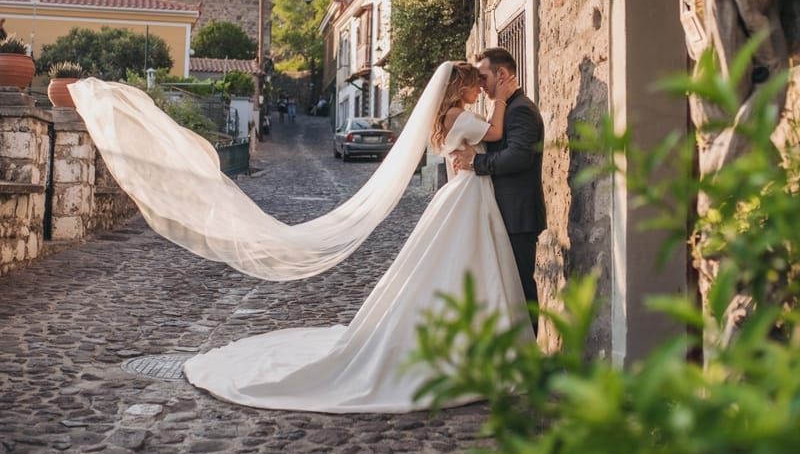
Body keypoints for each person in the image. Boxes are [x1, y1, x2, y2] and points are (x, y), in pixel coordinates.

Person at [70, 61, 533, 413]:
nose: (480, 90)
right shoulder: (463, 115)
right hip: (468, 194)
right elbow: (494, 131)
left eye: (483, 85)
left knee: (459, 267)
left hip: (467, 194)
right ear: (461, 87)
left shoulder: (450, 115)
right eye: (476, 85)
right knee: (462, 265)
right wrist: (503, 97)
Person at [451, 48, 545, 329]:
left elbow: (519, 156)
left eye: (483, 76)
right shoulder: (506, 109)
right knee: (502, 290)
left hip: (517, 216)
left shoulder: (521, 110)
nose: (479, 84)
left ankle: (528, 355)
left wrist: (477, 162)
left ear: (502, 74)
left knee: (520, 290)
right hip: (501, 213)